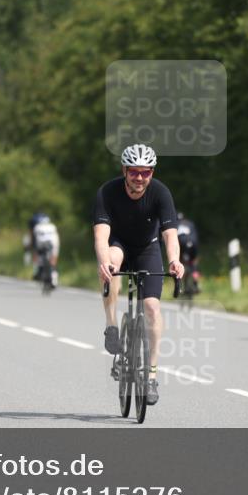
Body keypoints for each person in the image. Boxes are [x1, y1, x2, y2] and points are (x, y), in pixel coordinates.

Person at [94, 144, 184, 406]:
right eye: (134, 172)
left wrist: (175, 260)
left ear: (152, 173)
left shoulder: (160, 193)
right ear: (124, 170)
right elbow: (101, 236)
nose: (140, 178)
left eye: (146, 173)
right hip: (118, 244)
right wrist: (104, 263)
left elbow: (170, 235)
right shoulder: (107, 192)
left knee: (152, 308)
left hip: (148, 247)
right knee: (112, 262)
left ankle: (152, 376)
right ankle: (111, 326)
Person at [28, 211, 60, 288]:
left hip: (41, 244)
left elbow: (33, 239)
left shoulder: (37, 227)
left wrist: (31, 247)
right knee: (53, 261)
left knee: (37, 254)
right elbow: (56, 237)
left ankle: (36, 271)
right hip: (53, 243)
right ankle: (54, 280)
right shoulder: (52, 226)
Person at [176, 211, 201, 293]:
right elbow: (196, 236)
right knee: (193, 264)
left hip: (182, 245)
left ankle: (183, 286)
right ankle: (196, 284)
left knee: (182, 264)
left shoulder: (175, 225)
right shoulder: (190, 223)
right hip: (193, 244)